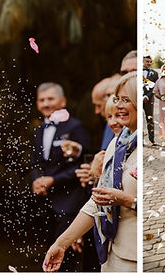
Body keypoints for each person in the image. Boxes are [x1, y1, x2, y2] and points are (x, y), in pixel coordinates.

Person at [43, 73, 137, 272]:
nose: (118, 106)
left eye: (126, 100)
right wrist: (61, 244)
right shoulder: (117, 144)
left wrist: (128, 201)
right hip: (110, 251)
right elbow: (97, 200)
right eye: (117, 99)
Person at [30, 83, 92, 271]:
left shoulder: (75, 127)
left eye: (50, 99)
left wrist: (53, 180)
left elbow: (85, 164)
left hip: (70, 202)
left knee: (66, 257)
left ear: (62, 101)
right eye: (42, 100)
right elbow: (36, 162)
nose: (46, 103)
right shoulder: (40, 130)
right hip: (46, 202)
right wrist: (36, 180)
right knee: (49, 251)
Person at [141, 56, 157, 146]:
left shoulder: (154, 73)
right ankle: (140, 141)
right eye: (147, 61)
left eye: (151, 62)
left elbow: (155, 87)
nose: (149, 63)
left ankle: (152, 140)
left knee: (150, 119)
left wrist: (147, 96)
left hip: (149, 99)